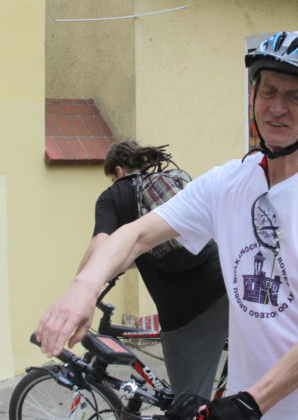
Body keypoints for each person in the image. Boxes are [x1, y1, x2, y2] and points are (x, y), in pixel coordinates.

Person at [36, 31, 298, 419]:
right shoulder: (228, 183)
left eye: (296, 97)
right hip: (253, 402)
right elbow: (135, 235)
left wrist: (249, 402)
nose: (277, 108)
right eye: (268, 91)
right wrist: (82, 290)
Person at [75, 140, 228, 401]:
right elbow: (151, 249)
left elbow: (100, 246)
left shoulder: (112, 196)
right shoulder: (165, 185)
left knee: (187, 405)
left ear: (118, 171)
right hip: (226, 281)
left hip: (187, 312)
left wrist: (78, 290)